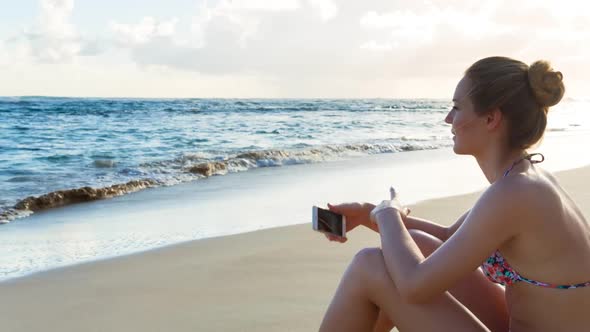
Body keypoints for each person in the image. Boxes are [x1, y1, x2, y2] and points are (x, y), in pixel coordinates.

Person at [319, 56, 590, 332]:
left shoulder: (516, 193)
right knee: (415, 242)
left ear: (491, 118)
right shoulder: (524, 181)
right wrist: (368, 213)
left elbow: (415, 286)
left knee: (369, 266)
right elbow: (449, 238)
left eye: (457, 108)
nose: (448, 118)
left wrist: (388, 213)